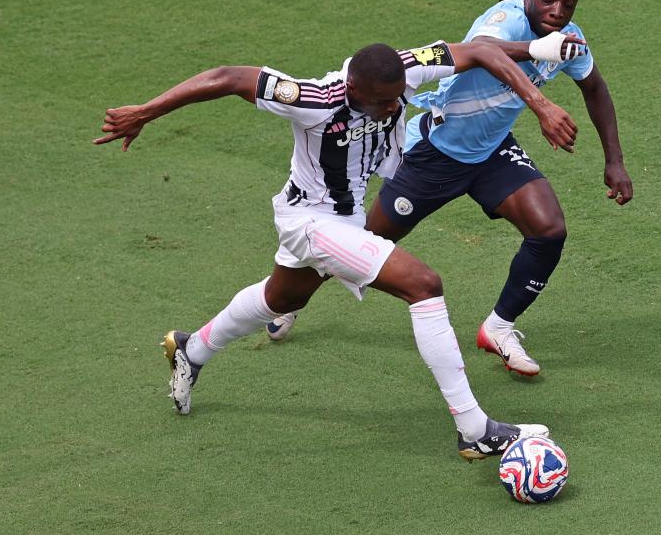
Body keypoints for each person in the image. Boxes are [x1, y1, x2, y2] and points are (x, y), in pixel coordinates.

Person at [93, 36, 582, 460]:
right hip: (308, 221)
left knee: (281, 298)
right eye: (382, 102)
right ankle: (474, 430)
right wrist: (146, 111)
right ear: (353, 89)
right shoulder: (310, 99)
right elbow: (227, 77)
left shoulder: (405, 68)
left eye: (397, 98)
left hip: (343, 220)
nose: (392, 108)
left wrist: (537, 64)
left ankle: (192, 347)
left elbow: (478, 51)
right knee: (423, 285)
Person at [269, 0, 634, 377]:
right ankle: (288, 299)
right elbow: (482, 51)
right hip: (433, 153)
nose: (558, 10)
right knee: (360, 243)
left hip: (491, 152)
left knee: (549, 230)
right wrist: (541, 101)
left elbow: (595, 87)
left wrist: (615, 160)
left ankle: (498, 328)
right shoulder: (505, 20)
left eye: (568, 3)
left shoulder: (569, 39)